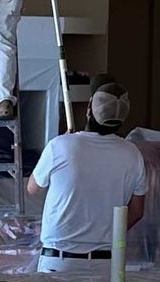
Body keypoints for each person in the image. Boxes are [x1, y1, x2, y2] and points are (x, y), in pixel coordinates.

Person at [26, 80, 147, 264]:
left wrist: (62, 143)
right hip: (106, 263)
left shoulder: (60, 146)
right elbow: (137, 212)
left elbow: (33, 187)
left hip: (59, 259)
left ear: (89, 109)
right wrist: (106, 233)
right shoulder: (132, 154)